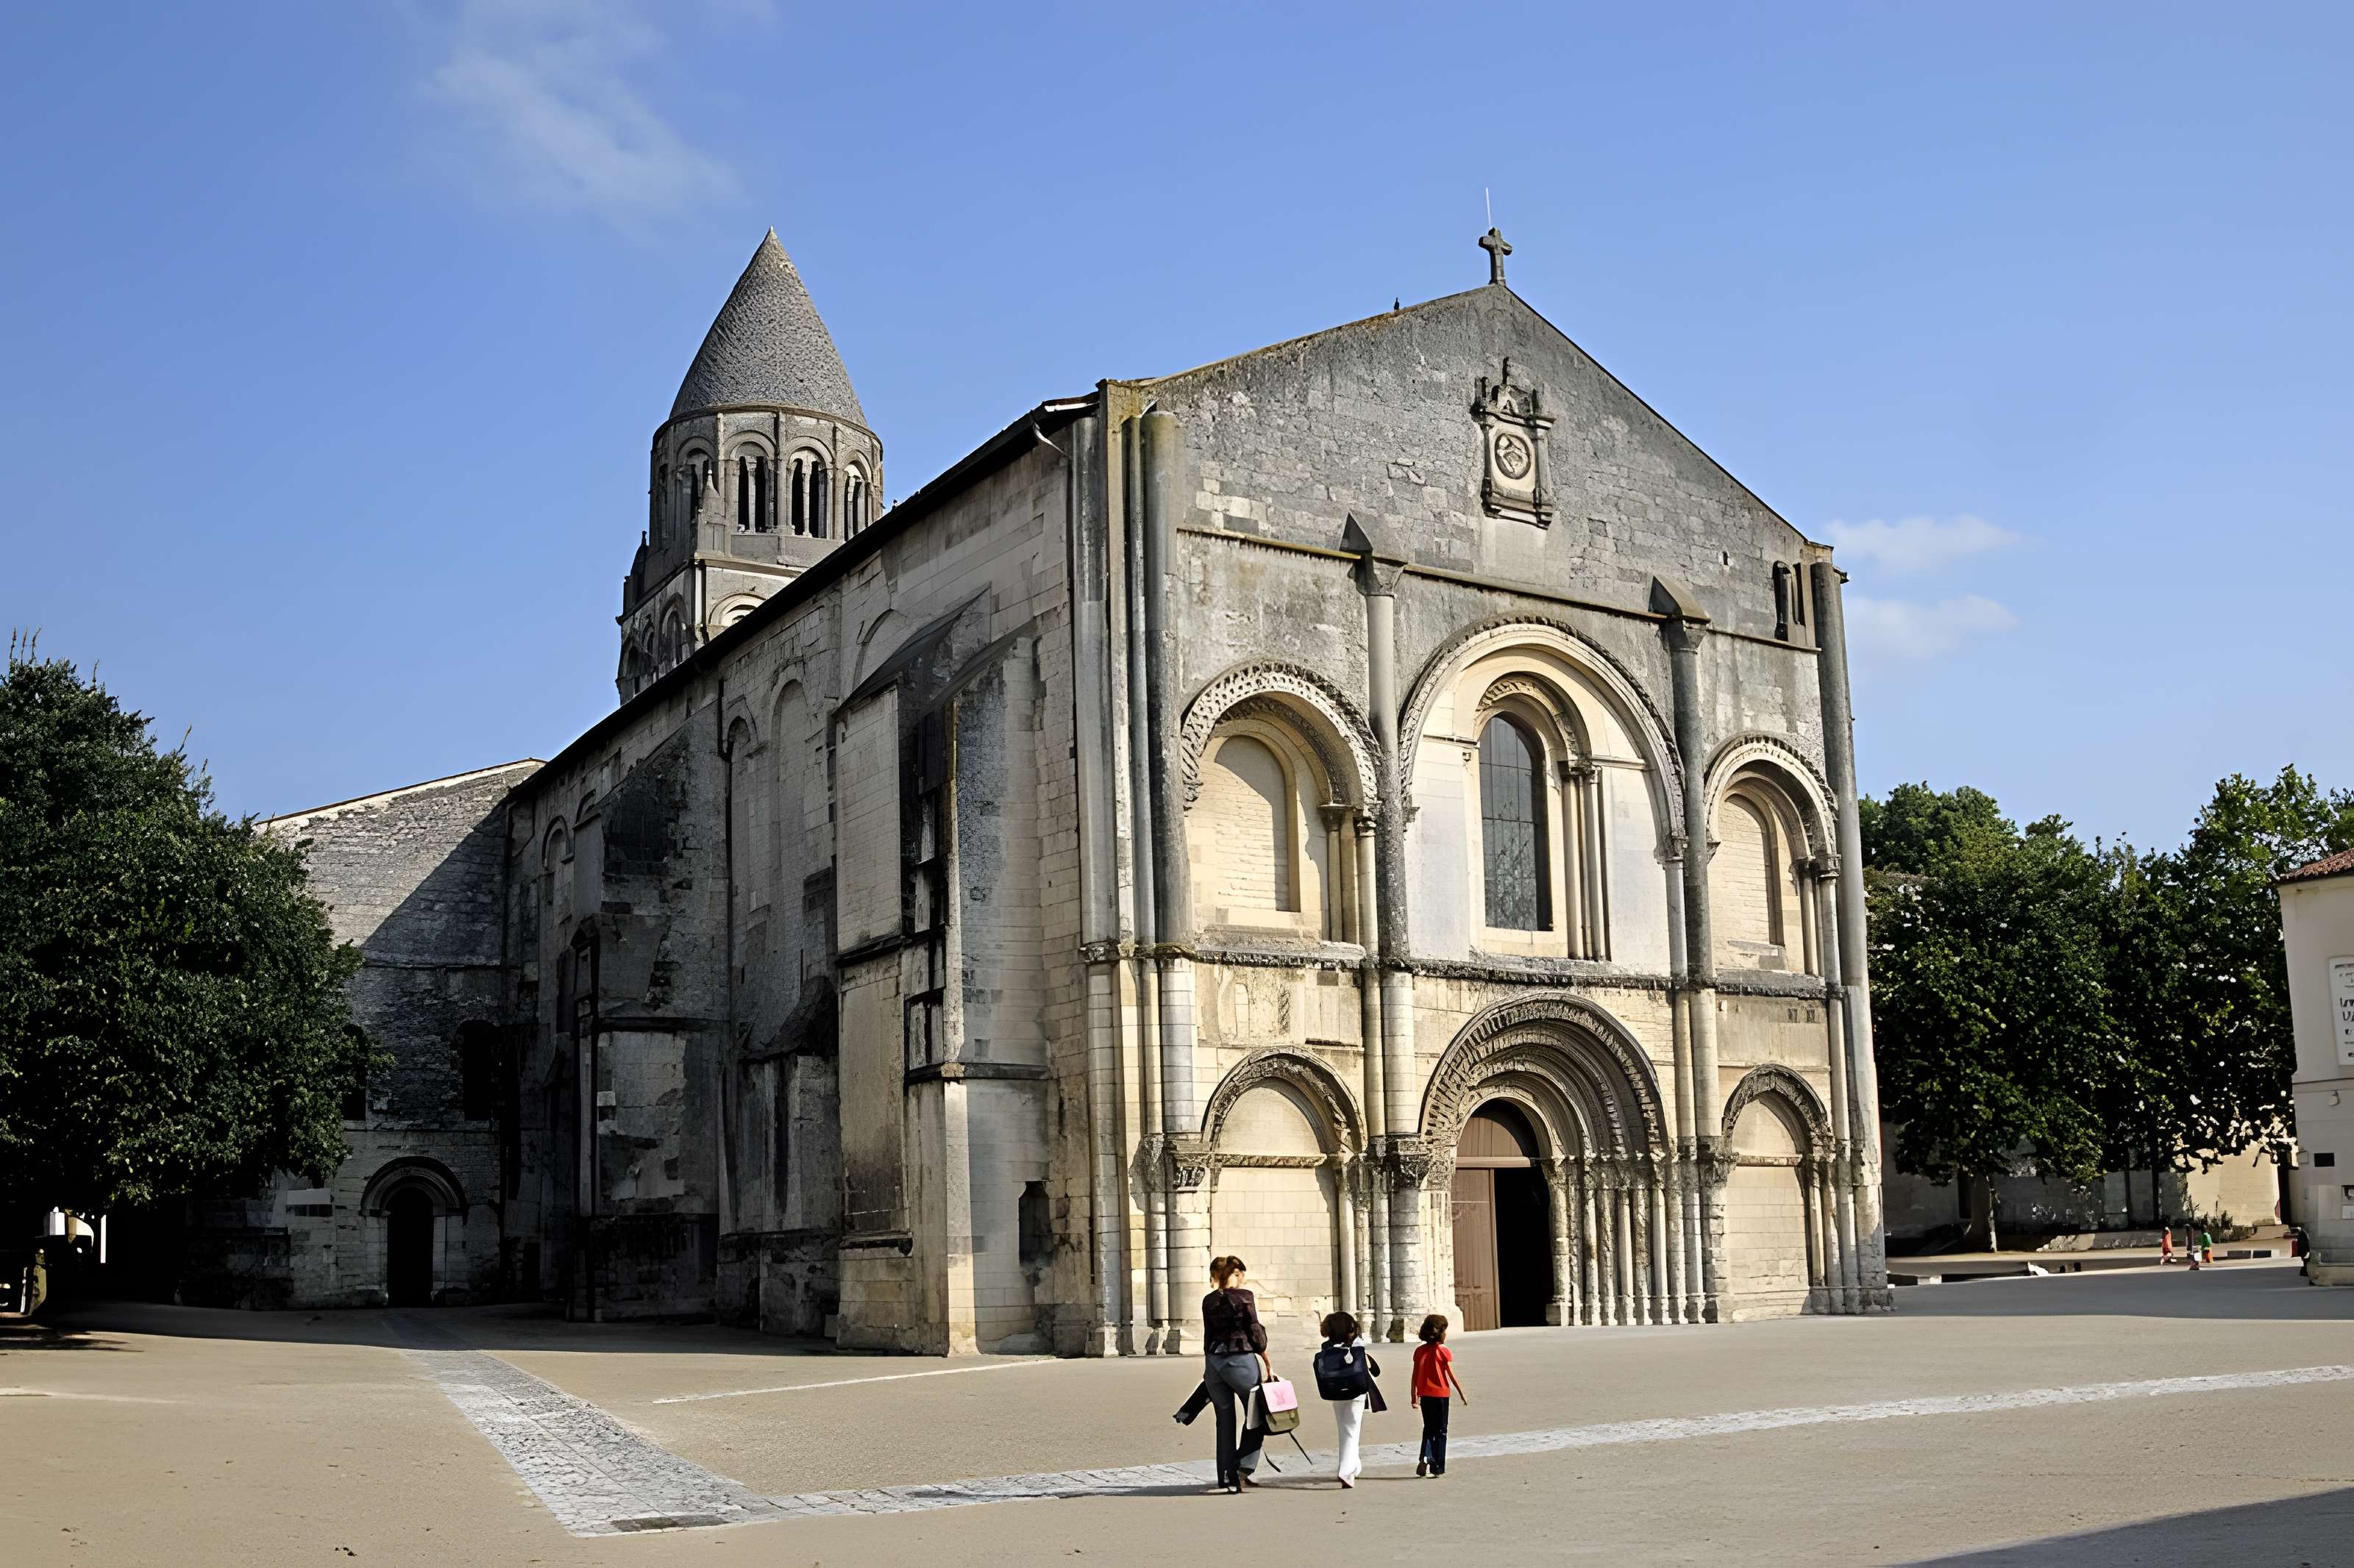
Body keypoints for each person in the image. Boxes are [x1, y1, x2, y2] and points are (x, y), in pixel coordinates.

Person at [1201, 1255, 1272, 1494]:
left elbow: (1208, 1336)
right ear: (1236, 1274)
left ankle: (1226, 1478)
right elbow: (1255, 1332)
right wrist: (1267, 1362)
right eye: (1240, 1273)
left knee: (1225, 1421)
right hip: (1240, 1361)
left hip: (1214, 1363)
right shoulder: (1245, 1297)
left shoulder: (1208, 1300)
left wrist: (1209, 1367)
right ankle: (1243, 1469)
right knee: (1257, 1416)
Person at [1312, 1311, 1385, 1489]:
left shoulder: (1326, 1348)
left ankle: (1355, 1466)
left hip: (1336, 1392)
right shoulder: (1357, 1346)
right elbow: (1375, 1370)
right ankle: (1346, 1472)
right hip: (1356, 1392)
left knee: (1345, 1430)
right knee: (1352, 1430)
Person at [1410, 1314, 1468, 1478]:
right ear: (1439, 1333)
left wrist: (1414, 1397)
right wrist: (1462, 1393)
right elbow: (1451, 1375)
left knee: (1428, 1428)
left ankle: (1424, 1459)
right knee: (1441, 1431)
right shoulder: (1443, 1352)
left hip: (1425, 1395)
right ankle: (1437, 1466)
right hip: (1441, 1395)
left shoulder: (1419, 1351)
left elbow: (1415, 1375)